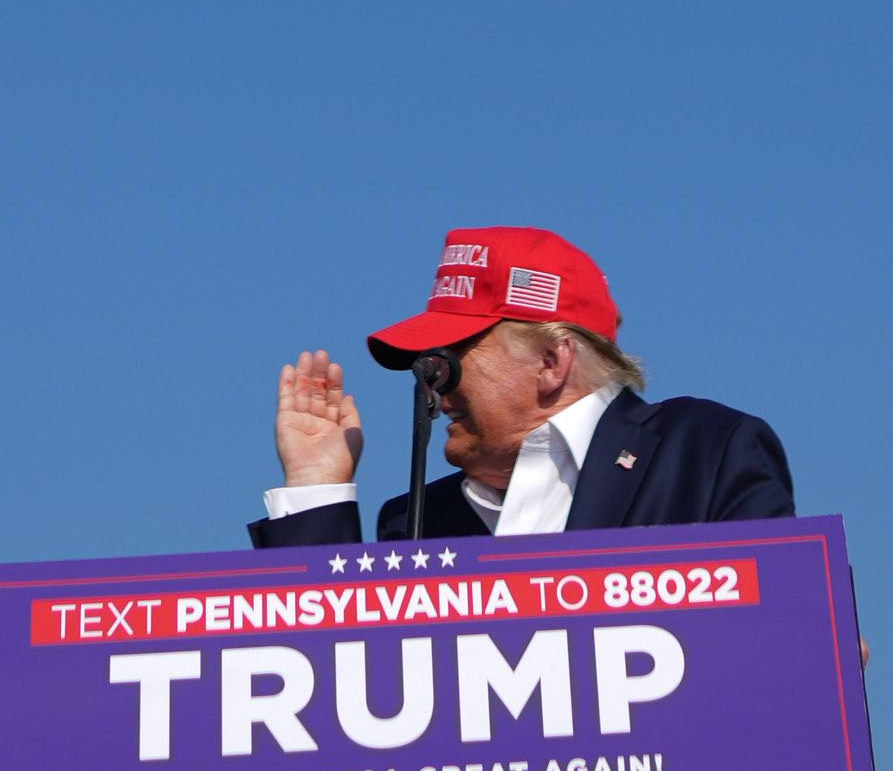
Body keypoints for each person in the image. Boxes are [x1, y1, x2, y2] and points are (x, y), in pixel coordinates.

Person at [248, 226, 792, 548]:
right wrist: (316, 487)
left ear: (551, 361)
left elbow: (772, 631)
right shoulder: (417, 521)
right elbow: (342, 672)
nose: (432, 383)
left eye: (450, 356)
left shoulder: (704, 452)